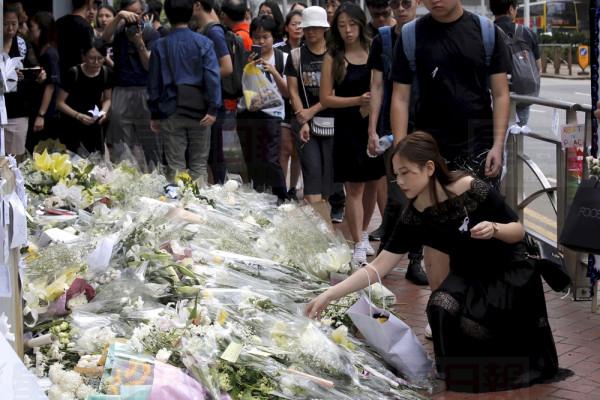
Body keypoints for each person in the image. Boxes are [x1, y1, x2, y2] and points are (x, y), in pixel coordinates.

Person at [307, 132, 559, 393]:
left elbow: (518, 231)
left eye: (406, 173)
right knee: (440, 306)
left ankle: (503, 361)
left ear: (429, 168)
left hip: (505, 271)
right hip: (468, 273)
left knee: (479, 320)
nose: (400, 182)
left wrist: (494, 228)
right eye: (396, 175)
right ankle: (461, 372)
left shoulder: (470, 188)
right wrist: (331, 294)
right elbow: (379, 265)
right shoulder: (414, 215)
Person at [368, 0, 428, 287]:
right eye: (395, 4)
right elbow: (377, 86)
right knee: (397, 194)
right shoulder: (382, 39)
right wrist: (372, 129)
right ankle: (387, 253)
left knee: (420, 195)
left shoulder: (428, 34)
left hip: (425, 127)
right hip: (391, 130)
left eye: (406, 3)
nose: (400, 9)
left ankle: (415, 259)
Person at [320, 3, 385, 265]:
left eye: (352, 24)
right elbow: (326, 98)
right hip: (347, 128)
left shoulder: (374, 50)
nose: (348, 30)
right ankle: (357, 241)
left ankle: (364, 231)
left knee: (371, 182)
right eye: (342, 25)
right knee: (354, 187)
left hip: (372, 126)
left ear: (361, 24)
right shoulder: (333, 57)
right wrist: (356, 100)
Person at [148, 0, 221, 183]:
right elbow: (212, 77)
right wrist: (213, 109)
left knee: (175, 165)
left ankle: (179, 206)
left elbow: (154, 83)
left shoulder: (159, 45)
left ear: (168, 16)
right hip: (200, 110)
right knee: (199, 164)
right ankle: (198, 206)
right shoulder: (204, 42)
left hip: (170, 109)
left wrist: (155, 114)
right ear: (190, 14)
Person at [102, 0, 162, 169]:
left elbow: (150, 66)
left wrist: (139, 43)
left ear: (143, 12)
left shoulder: (151, 33)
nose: (132, 19)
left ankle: (156, 176)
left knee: (151, 141)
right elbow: (104, 38)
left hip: (145, 90)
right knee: (121, 142)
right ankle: (123, 178)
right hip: (121, 89)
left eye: (136, 14)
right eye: (128, 14)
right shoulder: (119, 30)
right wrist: (119, 17)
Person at [236, 15, 289, 203]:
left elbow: (288, 92)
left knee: (270, 159)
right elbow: (238, 87)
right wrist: (247, 66)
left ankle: (282, 198)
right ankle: (259, 198)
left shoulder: (283, 58)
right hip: (247, 115)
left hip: (272, 115)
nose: (261, 41)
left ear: (273, 37)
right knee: (252, 161)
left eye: (265, 37)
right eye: (256, 37)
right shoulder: (244, 57)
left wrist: (273, 70)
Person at [285, 6, 332, 204]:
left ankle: (329, 226)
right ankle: (320, 227)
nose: (311, 31)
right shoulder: (295, 56)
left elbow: (336, 91)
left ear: (324, 29)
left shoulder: (335, 56)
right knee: (312, 177)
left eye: (316, 27)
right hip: (305, 125)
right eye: (307, 27)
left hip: (332, 122)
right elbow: (292, 91)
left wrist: (311, 111)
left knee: (330, 183)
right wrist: (302, 118)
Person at [193, 0, 234, 183]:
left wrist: (197, 79)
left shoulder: (214, 31)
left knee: (214, 155)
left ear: (198, 4)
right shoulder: (205, 29)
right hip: (206, 101)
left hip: (213, 103)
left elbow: (227, 67)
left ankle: (221, 192)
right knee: (209, 155)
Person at [56, 39, 113, 154]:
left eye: (100, 58)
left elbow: (107, 99)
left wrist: (103, 112)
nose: (96, 62)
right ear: (83, 57)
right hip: (72, 124)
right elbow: (59, 103)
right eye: (92, 58)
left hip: (94, 124)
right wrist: (78, 116)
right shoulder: (74, 73)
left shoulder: (106, 73)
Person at [491, 0, 541, 126]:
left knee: (497, 138)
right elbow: (538, 67)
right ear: (510, 9)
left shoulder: (486, 32)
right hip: (523, 96)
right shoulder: (528, 33)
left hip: (495, 97)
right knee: (517, 135)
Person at [3, 4, 43, 160]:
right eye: (6, 23)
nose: (11, 28)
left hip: (17, 109)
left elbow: (33, 69)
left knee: (15, 159)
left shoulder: (22, 44)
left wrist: (39, 75)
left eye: (14, 23)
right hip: (1, 106)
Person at [278, 10, 304, 199]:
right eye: (294, 24)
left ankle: (293, 188)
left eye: (301, 24)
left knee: (297, 152)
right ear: (286, 27)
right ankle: (281, 187)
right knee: (285, 149)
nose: (298, 27)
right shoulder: (280, 50)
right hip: (284, 105)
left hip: (302, 105)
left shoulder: (308, 49)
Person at [28, 11, 61, 151]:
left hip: (47, 114)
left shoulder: (49, 53)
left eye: (32, 27)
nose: (29, 30)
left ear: (41, 28)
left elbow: (51, 86)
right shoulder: (39, 50)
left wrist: (41, 115)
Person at [56, 0, 94, 81]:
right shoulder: (85, 27)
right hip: (79, 78)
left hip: (61, 75)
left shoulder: (59, 22)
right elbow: (89, 56)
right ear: (89, 2)